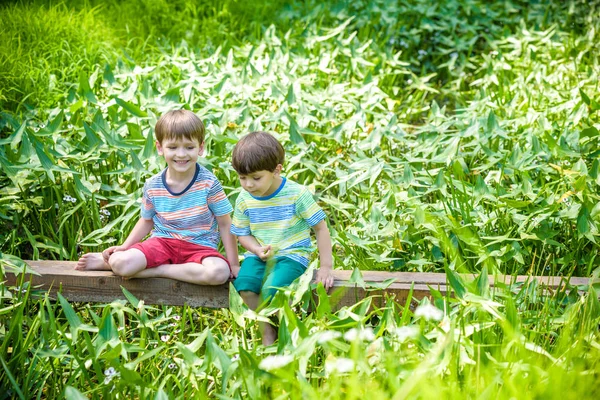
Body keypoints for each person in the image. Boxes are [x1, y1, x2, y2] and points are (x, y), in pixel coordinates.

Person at [76, 110, 239, 285]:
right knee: (119, 262)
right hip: (162, 243)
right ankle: (111, 264)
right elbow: (146, 221)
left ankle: (159, 270)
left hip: (200, 247)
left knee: (219, 273)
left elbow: (225, 223)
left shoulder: (209, 183)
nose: (181, 154)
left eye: (189, 147)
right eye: (173, 147)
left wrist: (234, 264)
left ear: (200, 147)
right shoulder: (153, 185)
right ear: (160, 148)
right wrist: (124, 247)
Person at [230, 131, 334, 345]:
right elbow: (242, 234)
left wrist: (326, 266)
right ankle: (267, 329)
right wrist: (256, 250)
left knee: (271, 289)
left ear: (277, 170)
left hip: (292, 255)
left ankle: (289, 330)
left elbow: (321, 229)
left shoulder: (296, 194)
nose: (248, 185)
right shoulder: (244, 198)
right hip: (260, 254)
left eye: (256, 178)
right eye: (242, 178)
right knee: (245, 287)